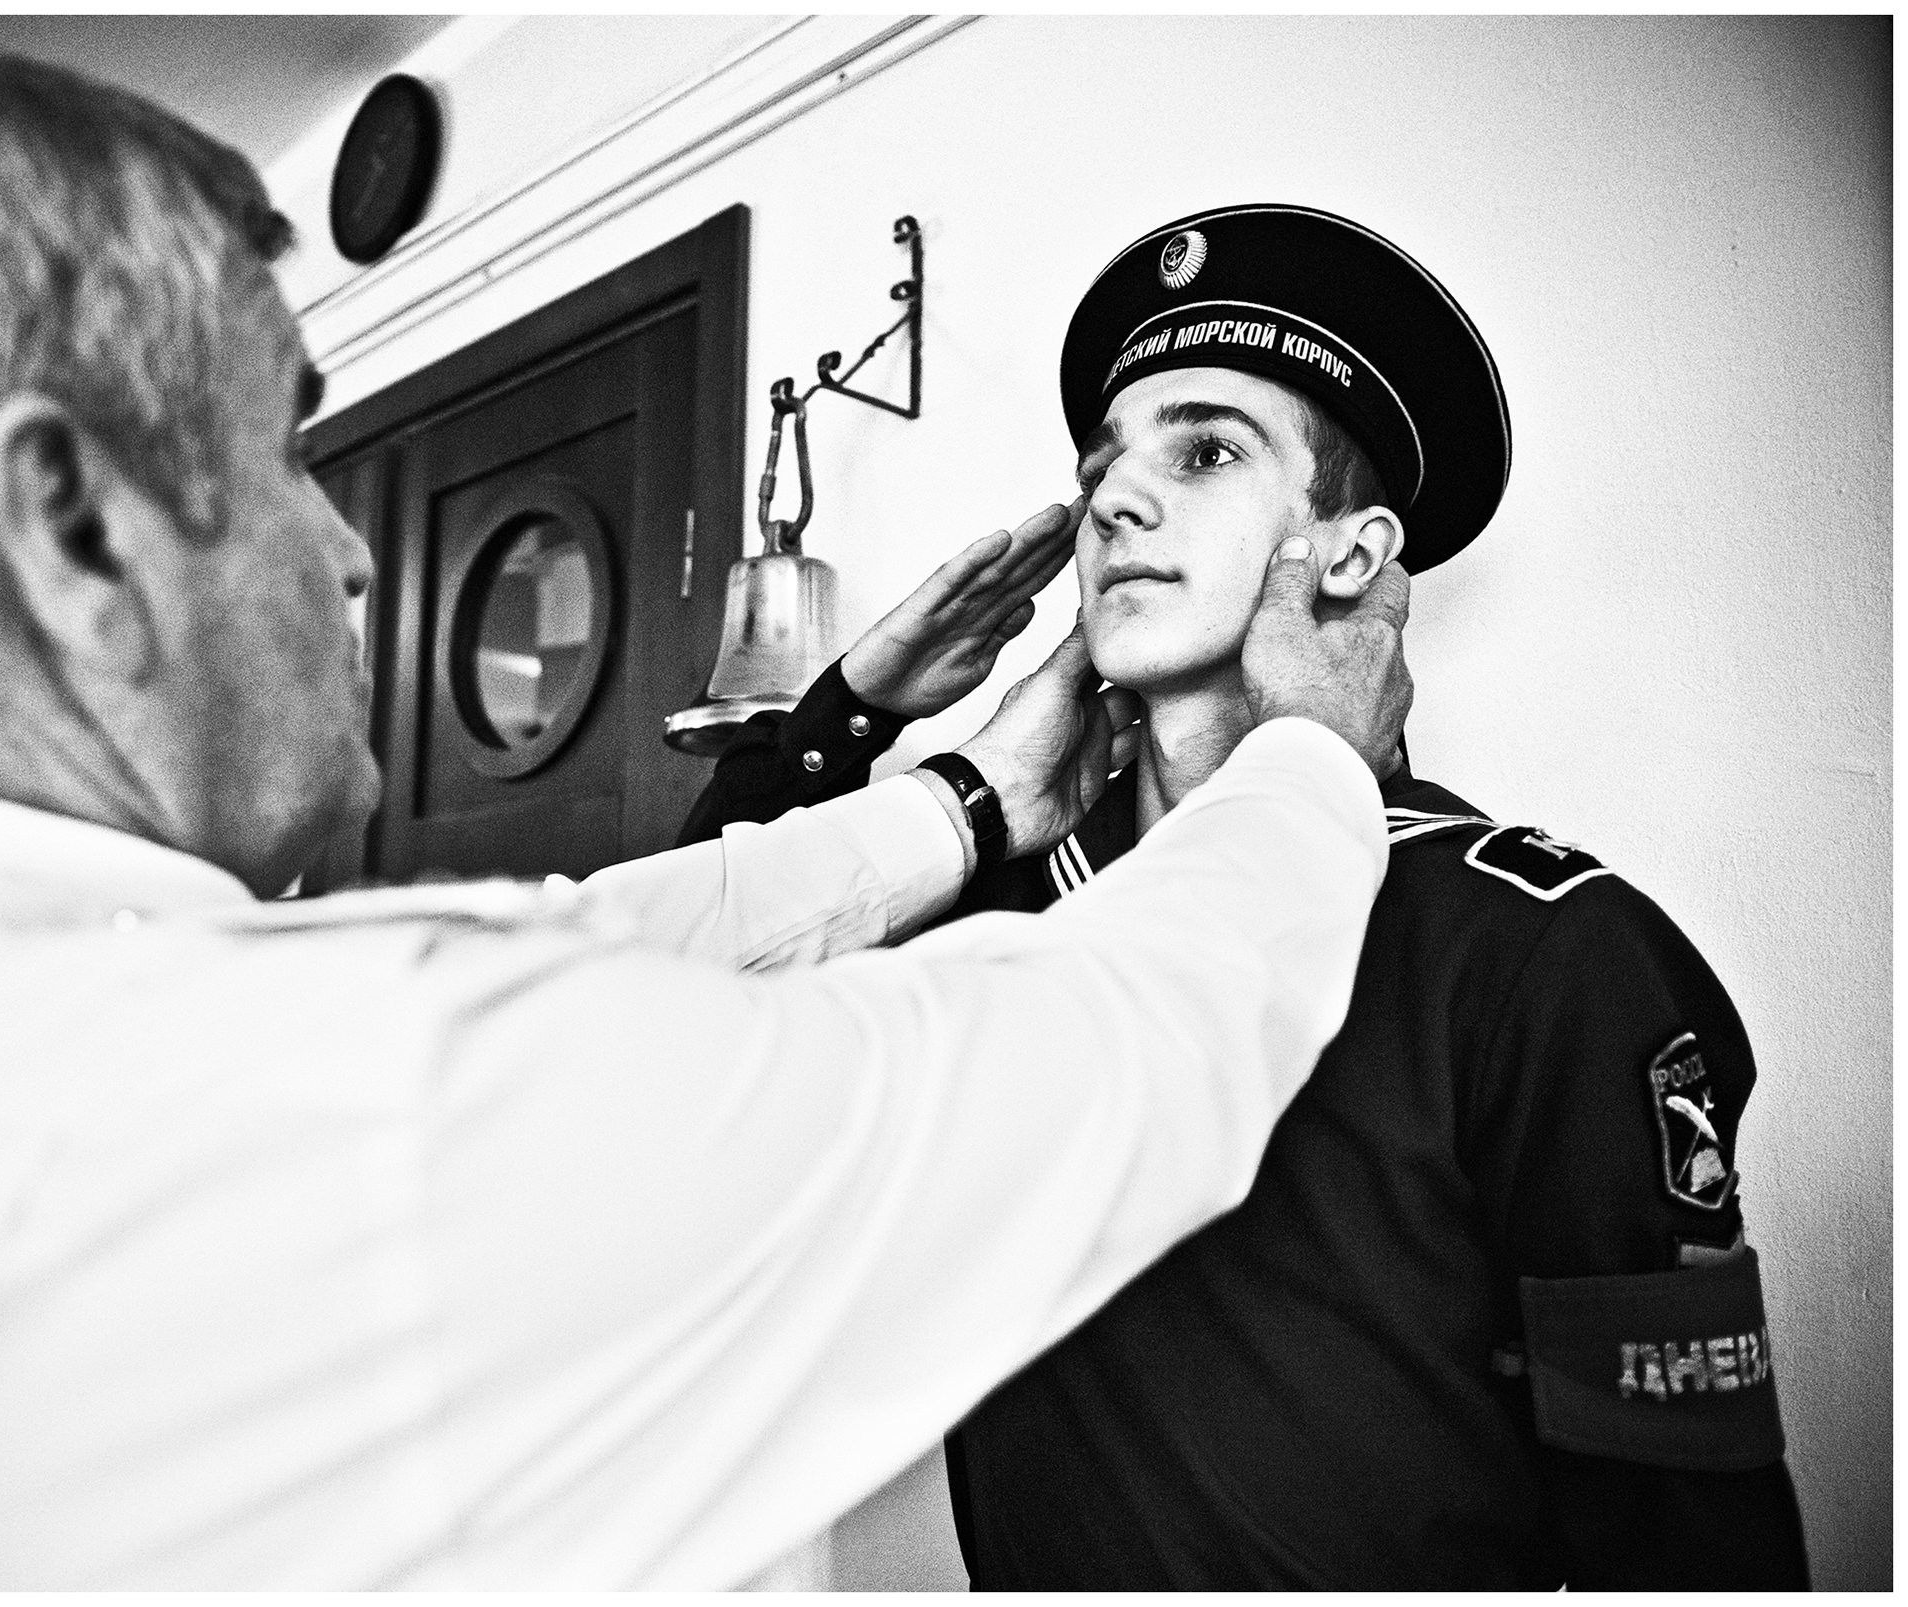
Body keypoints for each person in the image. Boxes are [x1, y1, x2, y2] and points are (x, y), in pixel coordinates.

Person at [0, 46, 1420, 1589]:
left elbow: (563, 953)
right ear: (74, 531)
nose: (349, 555)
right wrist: (1317, 751)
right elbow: (1114, 1051)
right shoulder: (343, 1133)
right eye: (280, 448)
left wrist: (948, 799)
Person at [682, 204, 1810, 1589]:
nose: (1112, 502)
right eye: (1100, 468)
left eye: (1205, 450)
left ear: (1349, 552)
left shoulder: (1538, 952)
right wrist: (847, 713)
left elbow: (1689, 1542)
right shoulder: (994, 912)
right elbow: (664, 1022)